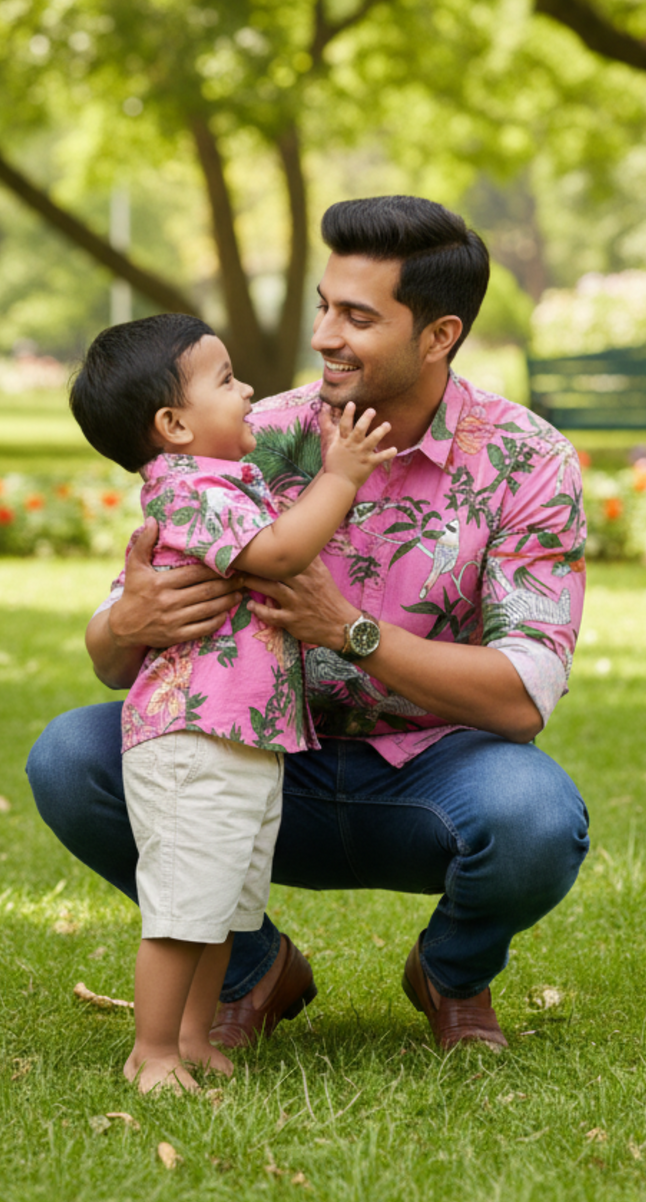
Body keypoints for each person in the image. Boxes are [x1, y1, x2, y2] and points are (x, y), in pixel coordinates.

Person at [30, 195, 590, 1058]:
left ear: (438, 336)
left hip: (428, 776)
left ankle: (450, 972)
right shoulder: (253, 433)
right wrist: (124, 623)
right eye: (325, 306)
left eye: (358, 317)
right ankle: (254, 970)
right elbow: (116, 643)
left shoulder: (527, 460)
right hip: (248, 758)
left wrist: (349, 630)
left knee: (536, 818)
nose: (325, 335)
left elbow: (522, 699)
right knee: (71, 759)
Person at [68, 313, 396, 1092]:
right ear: (173, 424)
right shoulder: (188, 491)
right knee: (183, 910)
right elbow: (279, 553)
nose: (248, 390)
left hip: (241, 737)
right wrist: (341, 476)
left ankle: (192, 1037)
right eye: (225, 380)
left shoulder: (225, 481)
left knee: (221, 911)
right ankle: (151, 1053)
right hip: (192, 738)